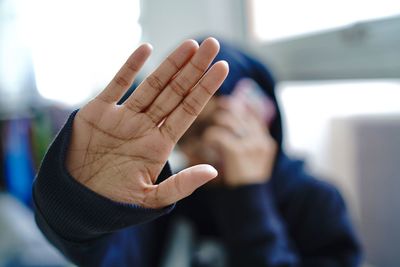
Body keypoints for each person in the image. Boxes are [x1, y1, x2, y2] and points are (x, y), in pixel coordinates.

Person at [33, 37, 362, 267]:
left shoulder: (316, 202)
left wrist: (248, 198)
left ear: (264, 123)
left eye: (222, 128)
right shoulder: (163, 196)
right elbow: (97, 252)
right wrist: (82, 201)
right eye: (190, 132)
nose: (206, 147)